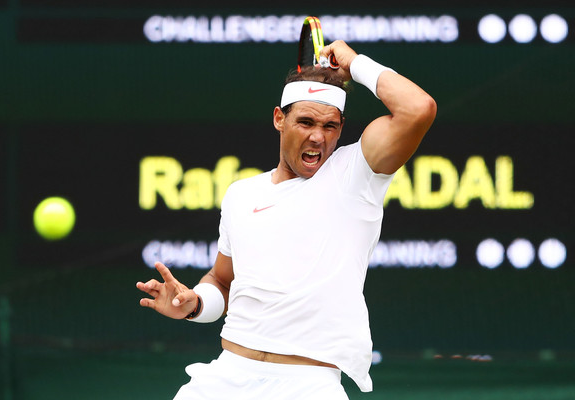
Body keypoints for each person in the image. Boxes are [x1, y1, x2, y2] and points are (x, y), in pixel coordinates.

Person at [136, 40, 436, 399]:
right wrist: (194, 303)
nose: (317, 136)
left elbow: (418, 109)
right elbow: (223, 281)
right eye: (305, 122)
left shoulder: (356, 174)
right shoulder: (241, 194)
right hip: (227, 376)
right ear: (279, 119)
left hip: (308, 386)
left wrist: (355, 64)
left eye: (330, 126)